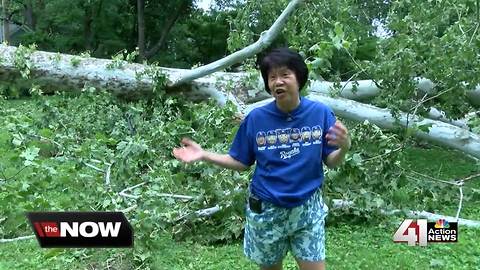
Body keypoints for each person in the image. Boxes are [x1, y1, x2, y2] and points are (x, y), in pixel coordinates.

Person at [172, 47, 351, 270]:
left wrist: (344, 147)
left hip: (307, 209)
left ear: (299, 78)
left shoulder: (320, 113)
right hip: (267, 210)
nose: (278, 82)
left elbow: (331, 161)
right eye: (272, 77)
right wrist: (204, 155)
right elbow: (241, 162)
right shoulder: (256, 119)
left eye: (285, 75)